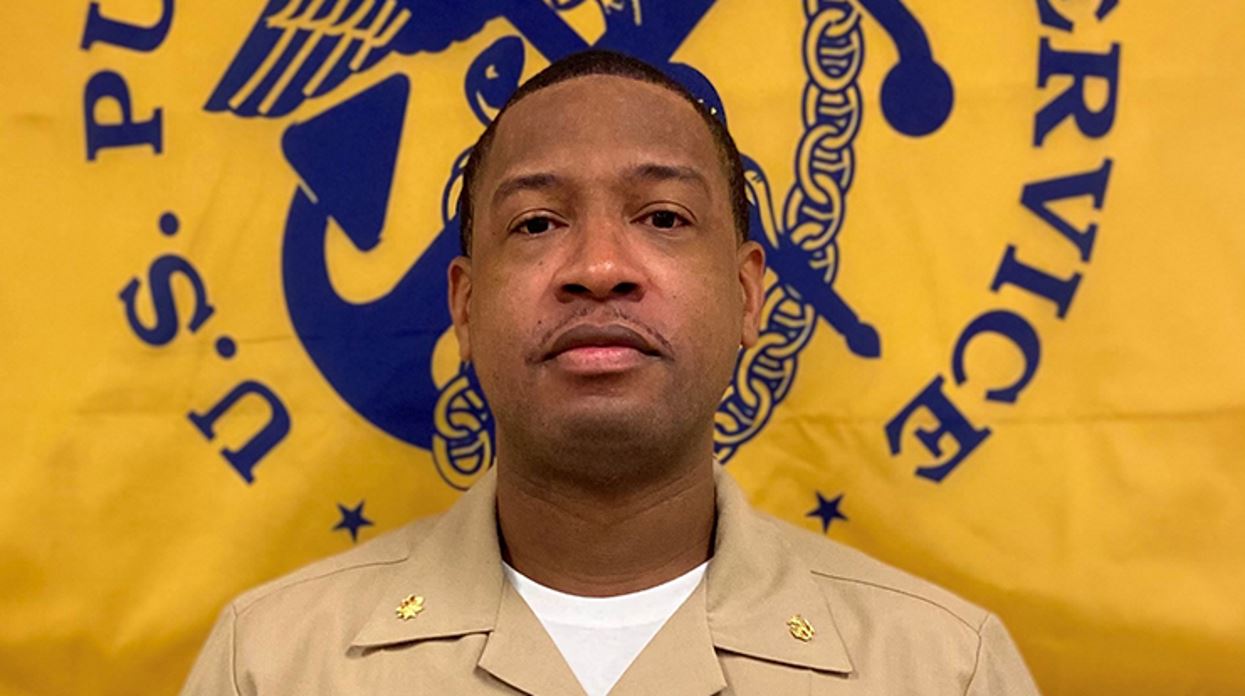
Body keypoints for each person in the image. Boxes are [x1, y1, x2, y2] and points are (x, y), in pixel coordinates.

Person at [181, 50, 1040, 695]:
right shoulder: (271, 661)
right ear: (465, 308)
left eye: (662, 217)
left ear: (747, 297)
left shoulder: (940, 668)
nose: (597, 267)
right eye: (535, 223)